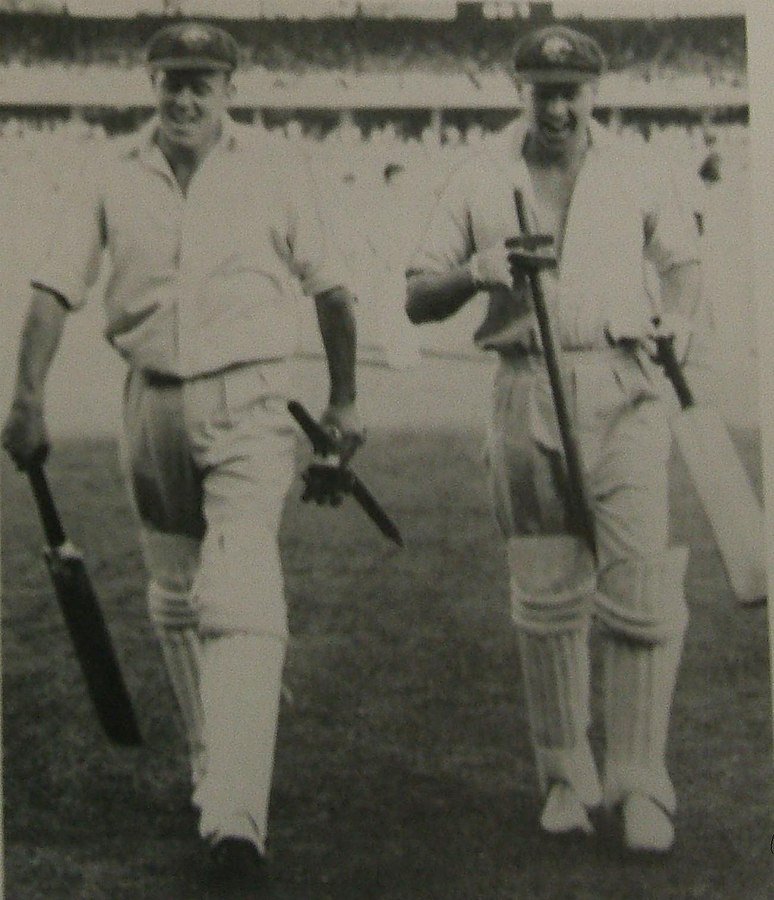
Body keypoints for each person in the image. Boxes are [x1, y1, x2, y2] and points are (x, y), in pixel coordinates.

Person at [1, 21, 364, 888]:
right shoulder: (110, 174)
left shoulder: (275, 168)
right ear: (150, 83)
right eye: (171, 79)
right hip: (150, 399)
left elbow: (334, 291)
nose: (185, 96)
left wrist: (346, 401)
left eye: (202, 81)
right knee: (175, 595)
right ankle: (213, 759)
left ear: (230, 87)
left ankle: (238, 813)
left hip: (251, 399)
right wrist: (26, 395)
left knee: (239, 587)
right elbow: (54, 289)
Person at [406, 25, 702, 854]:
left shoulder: (639, 166)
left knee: (642, 588)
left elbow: (683, 261)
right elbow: (415, 295)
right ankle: (567, 778)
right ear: (519, 91)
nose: (558, 106)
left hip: (622, 382)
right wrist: (477, 271)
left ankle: (642, 786)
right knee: (545, 596)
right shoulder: (478, 175)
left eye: (572, 92)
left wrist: (676, 318)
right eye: (543, 91)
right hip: (524, 388)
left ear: (594, 94)